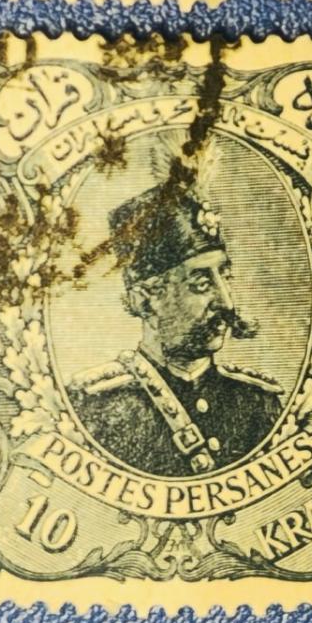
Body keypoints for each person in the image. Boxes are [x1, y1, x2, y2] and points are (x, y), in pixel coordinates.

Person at [69, 181, 282, 476]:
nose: (226, 302)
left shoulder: (259, 402)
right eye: (201, 284)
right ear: (145, 300)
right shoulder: (96, 407)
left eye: (225, 276)